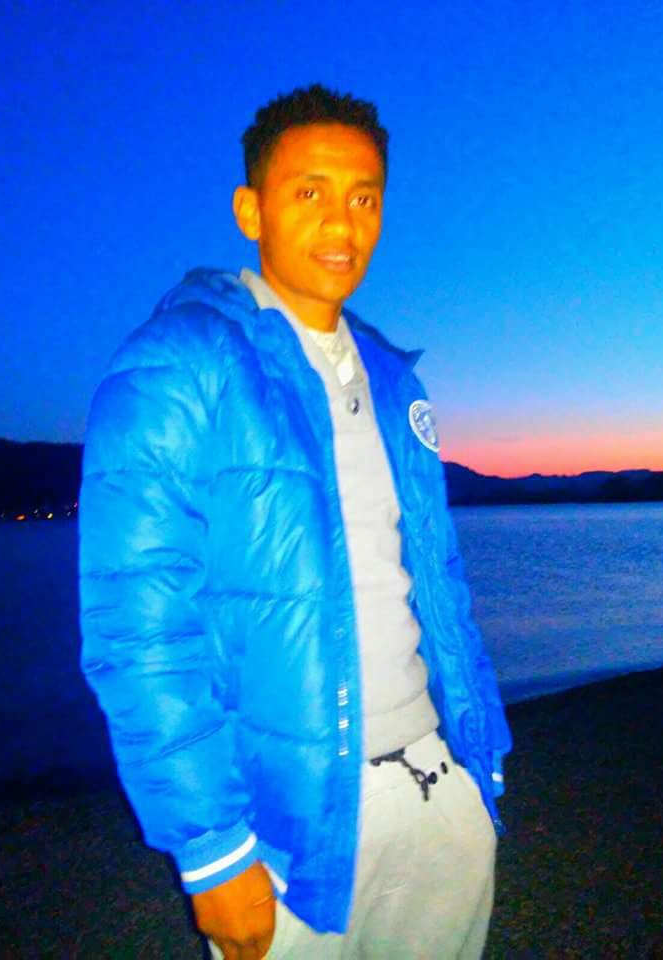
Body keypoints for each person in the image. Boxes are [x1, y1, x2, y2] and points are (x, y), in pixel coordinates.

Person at [79, 84, 512, 960]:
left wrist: (481, 759)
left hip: (439, 793)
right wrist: (211, 850)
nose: (341, 223)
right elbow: (138, 625)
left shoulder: (395, 381)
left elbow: (437, 581)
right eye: (309, 191)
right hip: (287, 834)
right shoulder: (177, 364)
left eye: (364, 198)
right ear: (251, 210)